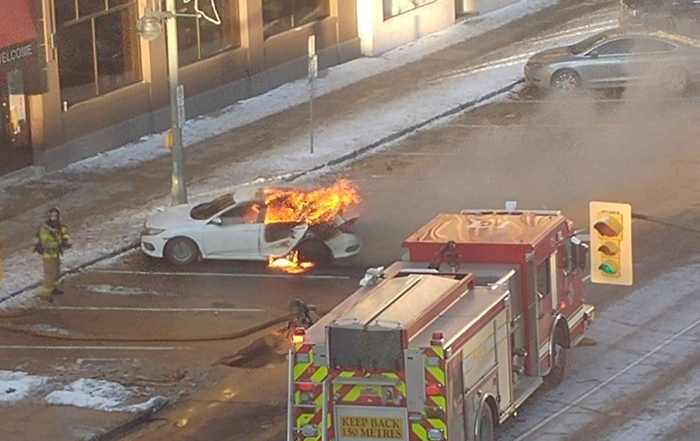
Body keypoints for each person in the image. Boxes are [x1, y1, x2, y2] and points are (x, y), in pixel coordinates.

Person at [34, 207, 71, 301]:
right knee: (50, 274)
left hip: (55, 254)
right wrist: (58, 244)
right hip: (48, 255)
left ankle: (53, 289)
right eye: (52, 216)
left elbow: (64, 231)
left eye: (55, 216)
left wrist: (65, 239)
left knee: (56, 272)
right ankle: (45, 294)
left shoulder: (58, 225)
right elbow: (45, 243)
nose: (54, 218)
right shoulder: (45, 228)